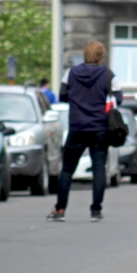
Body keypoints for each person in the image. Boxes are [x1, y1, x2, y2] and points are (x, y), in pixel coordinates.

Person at [47, 41, 122, 222]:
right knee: (99, 169)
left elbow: (63, 96)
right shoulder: (109, 74)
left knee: (67, 170)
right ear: (101, 56)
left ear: (84, 54)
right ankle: (96, 210)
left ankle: (60, 209)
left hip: (77, 126)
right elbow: (119, 98)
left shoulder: (70, 73)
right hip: (100, 128)